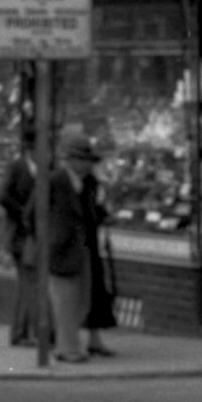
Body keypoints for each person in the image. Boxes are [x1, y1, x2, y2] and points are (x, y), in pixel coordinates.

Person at [47, 131, 95, 363]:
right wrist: (51, 239)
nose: (88, 165)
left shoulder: (84, 184)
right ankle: (68, 349)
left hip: (79, 248)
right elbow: (32, 212)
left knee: (78, 301)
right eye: (84, 160)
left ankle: (67, 346)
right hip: (61, 250)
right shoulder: (56, 181)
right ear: (72, 160)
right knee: (64, 301)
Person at [0, 126, 40, 348]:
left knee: (29, 283)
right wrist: (21, 213)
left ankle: (24, 332)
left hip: (34, 236)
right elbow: (1, 195)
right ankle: (20, 333)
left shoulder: (43, 169)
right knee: (27, 282)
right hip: (18, 235)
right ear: (29, 149)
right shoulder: (16, 167)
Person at [79, 147, 118, 357]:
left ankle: (93, 339)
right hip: (80, 244)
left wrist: (103, 216)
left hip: (91, 243)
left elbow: (96, 207)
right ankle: (74, 340)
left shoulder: (91, 183)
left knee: (94, 291)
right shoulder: (77, 183)